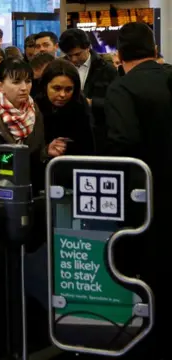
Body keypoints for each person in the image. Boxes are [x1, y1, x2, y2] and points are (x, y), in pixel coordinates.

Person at [103, 23, 172, 359]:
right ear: (154, 48)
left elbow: (123, 145)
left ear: (120, 54)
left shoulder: (123, 89)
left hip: (147, 203)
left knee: (149, 279)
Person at [0, 59, 64, 186]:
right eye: (16, 82)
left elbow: (32, 155)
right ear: (0, 85)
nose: (24, 88)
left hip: (26, 185)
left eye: (28, 81)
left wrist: (46, 152)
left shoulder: (33, 109)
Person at [58, 28, 117, 151]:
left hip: (98, 134)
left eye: (77, 54)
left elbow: (115, 103)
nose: (73, 59)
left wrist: (92, 103)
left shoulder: (107, 69)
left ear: (88, 47)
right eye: (69, 55)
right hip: (68, 132)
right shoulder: (59, 68)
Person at [35, 59, 96, 157]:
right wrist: (45, 151)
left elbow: (88, 148)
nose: (63, 94)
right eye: (57, 88)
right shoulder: (33, 106)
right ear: (45, 85)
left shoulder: (80, 107)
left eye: (68, 89)